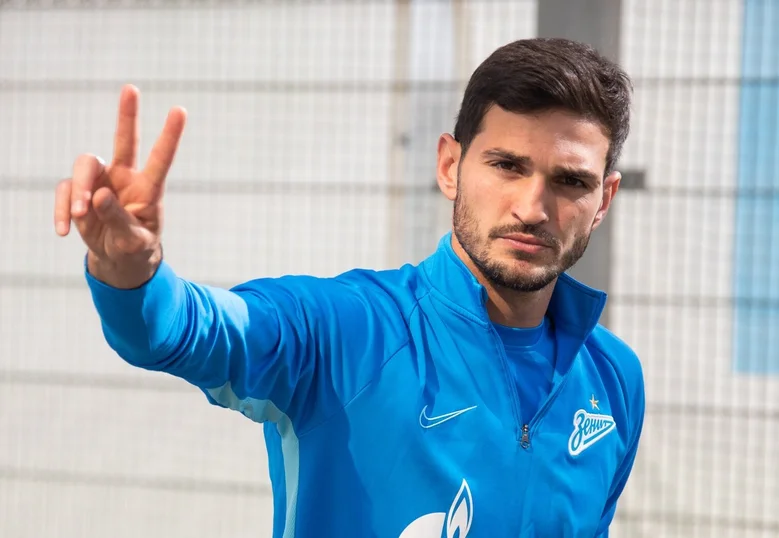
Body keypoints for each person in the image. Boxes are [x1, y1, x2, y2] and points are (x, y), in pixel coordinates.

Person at [53, 37, 645, 538]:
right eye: (507, 166)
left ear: (603, 200)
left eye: (570, 181)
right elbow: (191, 331)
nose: (532, 208)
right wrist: (133, 273)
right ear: (450, 166)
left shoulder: (614, 378)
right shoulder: (344, 330)